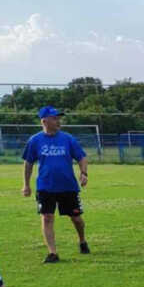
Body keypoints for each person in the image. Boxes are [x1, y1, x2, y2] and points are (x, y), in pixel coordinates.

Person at [21, 106, 90, 263]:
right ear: (44, 121)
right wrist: (26, 184)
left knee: (76, 219)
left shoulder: (68, 139)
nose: (58, 121)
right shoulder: (35, 140)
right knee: (47, 217)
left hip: (68, 186)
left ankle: (82, 240)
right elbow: (28, 163)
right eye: (54, 118)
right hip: (45, 186)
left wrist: (84, 173)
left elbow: (81, 157)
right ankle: (53, 253)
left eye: (59, 118)